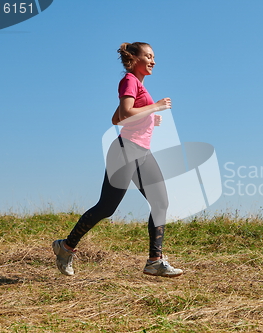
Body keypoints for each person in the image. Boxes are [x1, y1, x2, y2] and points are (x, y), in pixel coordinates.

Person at [52, 42, 183, 278]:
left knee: (160, 202)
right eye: (149, 56)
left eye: (154, 57)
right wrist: (155, 107)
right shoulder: (129, 80)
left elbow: (117, 118)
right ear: (134, 58)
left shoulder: (138, 84)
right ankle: (66, 246)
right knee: (107, 207)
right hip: (125, 151)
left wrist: (148, 119)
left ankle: (155, 260)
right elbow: (123, 115)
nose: (153, 61)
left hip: (142, 151)